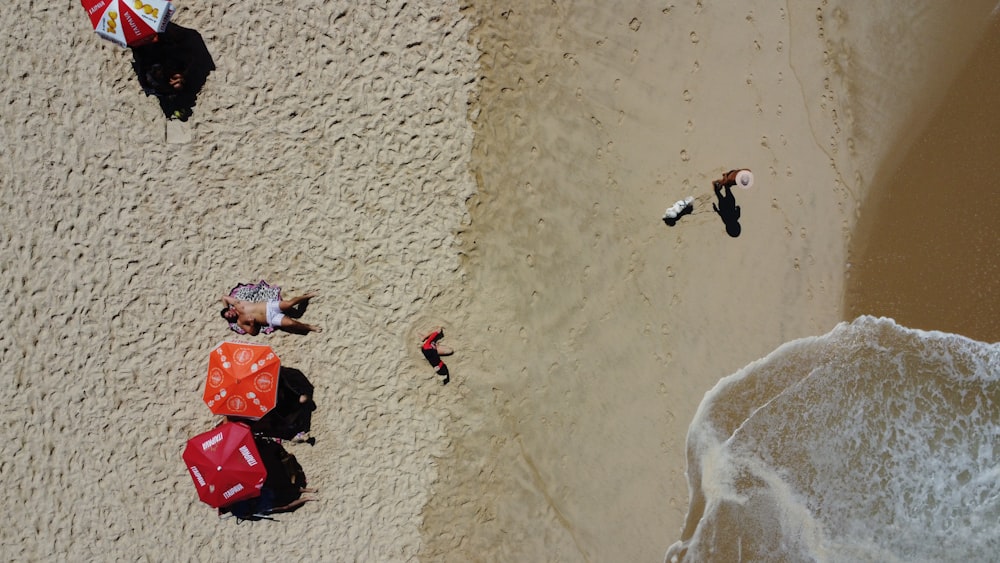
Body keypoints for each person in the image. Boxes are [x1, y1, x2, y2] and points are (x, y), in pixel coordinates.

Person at [221, 292, 322, 335]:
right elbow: (252, 333)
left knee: (289, 304)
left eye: (228, 313)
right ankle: (309, 327)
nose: (231, 315)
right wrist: (252, 324)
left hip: (268, 306)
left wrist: (225, 308)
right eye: (229, 317)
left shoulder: (237, 304)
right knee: (291, 323)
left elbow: (224, 297)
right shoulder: (240, 322)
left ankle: (306, 296)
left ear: (230, 310)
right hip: (270, 318)